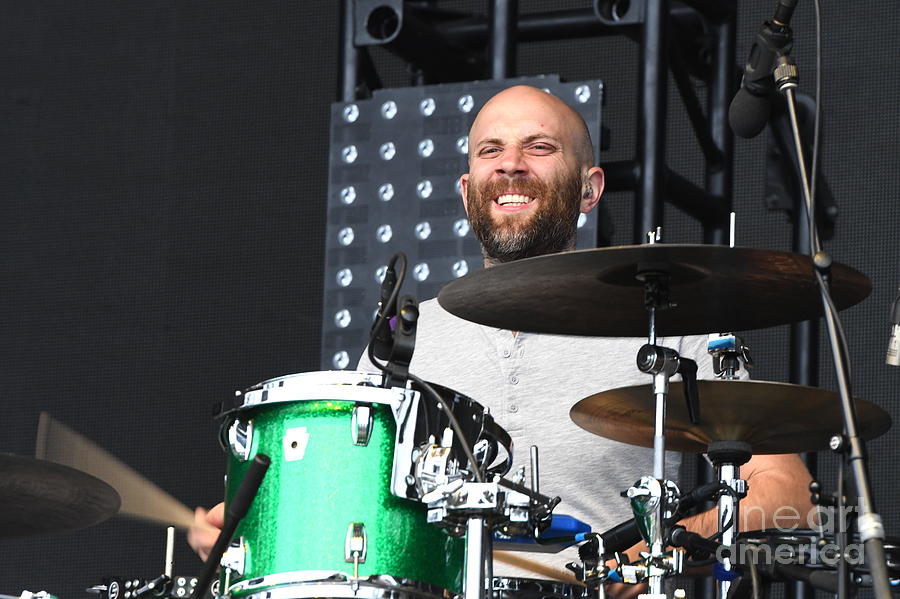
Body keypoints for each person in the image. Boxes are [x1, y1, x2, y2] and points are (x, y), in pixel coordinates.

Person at [190, 85, 814, 589]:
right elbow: (354, 516)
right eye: (490, 151)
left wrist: (666, 548)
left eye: (539, 147)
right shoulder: (407, 337)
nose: (511, 164)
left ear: (589, 190)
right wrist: (260, 534)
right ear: (468, 193)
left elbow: (787, 495)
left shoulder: (674, 323)